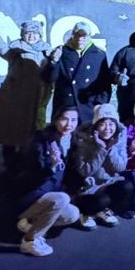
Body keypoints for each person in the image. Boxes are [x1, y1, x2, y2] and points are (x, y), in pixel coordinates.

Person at [0, 18, 54, 176]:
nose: (31, 36)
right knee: (11, 132)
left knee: (33, 135)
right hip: (15, 98)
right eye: (28, 33)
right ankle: (10, 166)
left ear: (40, 35)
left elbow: (52, 71)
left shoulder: (46, 50)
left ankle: (29, 167)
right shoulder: (15, 49)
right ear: (23, 34)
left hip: (37, 98)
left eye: (34, 33)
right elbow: (1, 48)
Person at [13, 106, 80, 257]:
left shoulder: (72, 140)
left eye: (73, 120)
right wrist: (52, 166)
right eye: (64, 119)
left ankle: (29, 222)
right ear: (55, 120)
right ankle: (29, 241)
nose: (69, 124)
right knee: (61, 199)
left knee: (72, 214)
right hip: (30, 195)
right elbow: (31, 175)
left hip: (49, 196)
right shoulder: (41, 141)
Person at [72, 104, 135, 228]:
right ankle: (85, 213)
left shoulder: (118, 138)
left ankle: (102, 211)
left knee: (127, 187)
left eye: (111, 124)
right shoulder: (84, 139)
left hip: (108, 182)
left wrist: (111, 149)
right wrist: (101, 150)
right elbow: (84, 171)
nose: (107, 128)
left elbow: (120, 167)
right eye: (102, 124)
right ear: (95, 126)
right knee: (102, 200)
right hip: (89, 186)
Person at [43, 22, 111, 125]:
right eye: (77, 35)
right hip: (65, 106)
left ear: (89, 37)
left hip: (87, 106)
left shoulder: (99, 54)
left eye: (84, 36)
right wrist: (53, 61)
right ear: (72, 35)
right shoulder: (61, 51)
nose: (80, 39)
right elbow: (48, 79)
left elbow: (105, 83)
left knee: (85, 134)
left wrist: (99, 104)